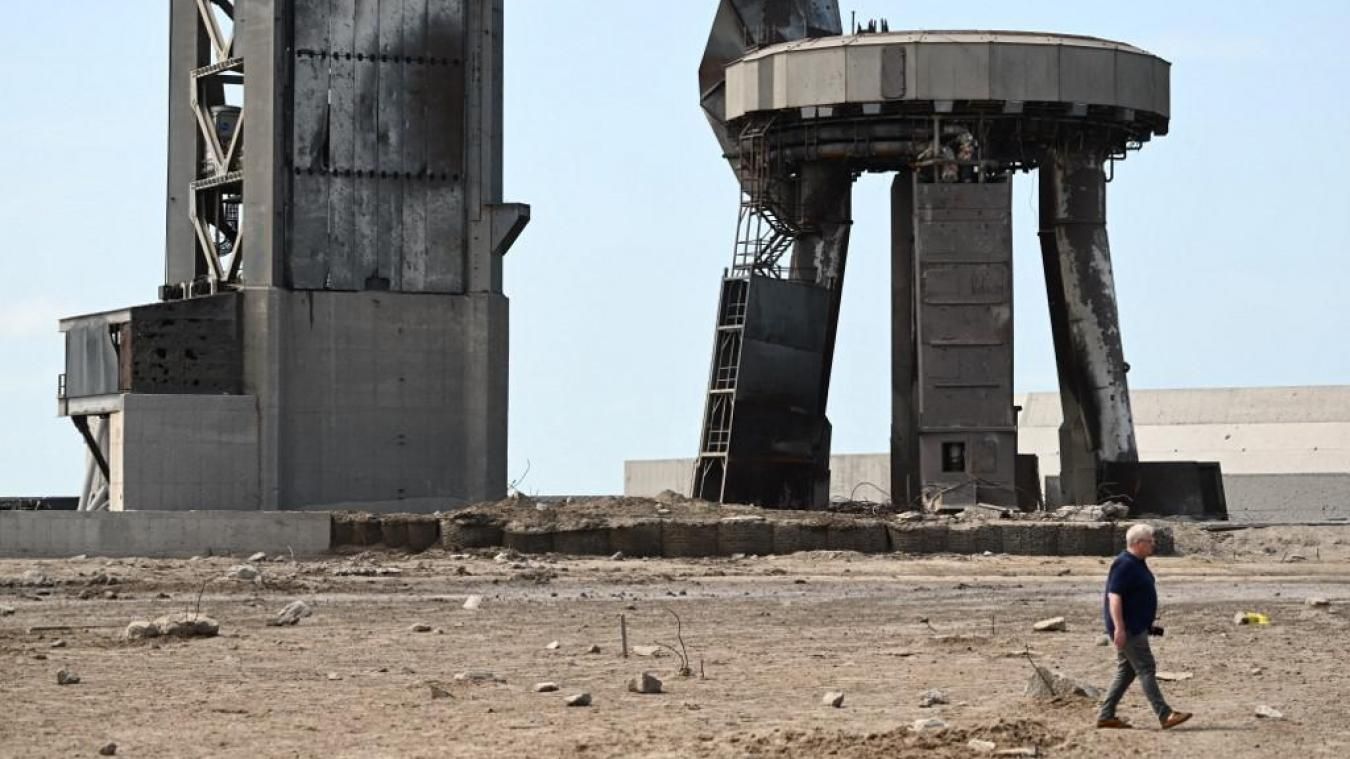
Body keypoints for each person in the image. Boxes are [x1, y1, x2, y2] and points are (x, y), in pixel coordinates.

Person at [1097, 523, 1193, 730]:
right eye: (1150, 541)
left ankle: (1106, 716)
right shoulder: (1124, 564)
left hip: (1136, 627)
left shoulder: (1137, 562)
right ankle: (1165, 714)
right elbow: (1114, 597)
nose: (1154, 544)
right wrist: (1119, 629)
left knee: (1127, 672)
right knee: (1146, 668)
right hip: (1129, 629)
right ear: (1138, 543)